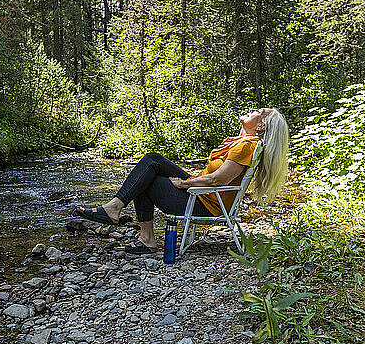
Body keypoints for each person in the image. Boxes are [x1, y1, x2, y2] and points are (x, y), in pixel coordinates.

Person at [74, 108, 289, 254]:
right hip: (203, 196)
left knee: (146, 176)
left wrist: (185, 184)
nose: (252, 111)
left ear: (260, 126)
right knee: (152, 161)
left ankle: (133, 226)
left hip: (205, 204)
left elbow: (217, 179)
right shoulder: (242, 142)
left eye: (257, 112)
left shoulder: (246, 146)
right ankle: (124, 217)